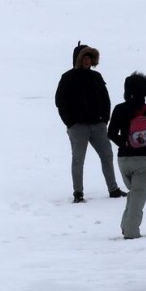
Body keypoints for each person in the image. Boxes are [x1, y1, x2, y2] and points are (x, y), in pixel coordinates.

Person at [55, 42, 127, 203]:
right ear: (78, 59)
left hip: (98, 125)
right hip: (78, 127)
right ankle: (78, 194)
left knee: (107, 155)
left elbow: (105, 98)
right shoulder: (67, 78)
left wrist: (104, 119)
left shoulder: (96, 77)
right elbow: (60, 102)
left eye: (89, 57)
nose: (87, 60)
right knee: (78, 159)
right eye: (84, 57)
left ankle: (113, 189)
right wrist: (70, 123)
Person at [107, 72, 146, 239]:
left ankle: (125, 226)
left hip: (123, 160)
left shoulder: (119, 108)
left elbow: (110, 133)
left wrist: (125, 143)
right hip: (144, 159)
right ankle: (131, 232)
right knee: (138, 195)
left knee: (134, 193)